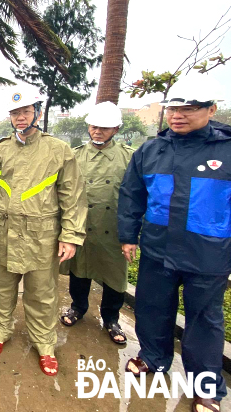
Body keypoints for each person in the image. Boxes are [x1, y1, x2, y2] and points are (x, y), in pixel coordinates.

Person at [119, 77, 231, 412]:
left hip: (207, 255)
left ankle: (206, 387)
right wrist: (127, 235)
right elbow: (132, 197)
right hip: (157, 249)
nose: (179, 115)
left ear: (211, 109)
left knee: (205, 321)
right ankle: (152, 357)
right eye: (174, 108)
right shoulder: (151, 150)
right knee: (151, 308)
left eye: (189, 108)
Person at [0, 86, 87, 376]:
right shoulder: (0, 150)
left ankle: (45, 344)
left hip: (43, 235)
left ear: (37, 113)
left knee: (42, 293)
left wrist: (71, 236)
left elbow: (72, 195)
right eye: (15, 113)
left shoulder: (58, 150)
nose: (20, 118)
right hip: (4, 233)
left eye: (25, 111)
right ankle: (0, 331)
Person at [60, 102, 134, 345]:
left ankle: (111, 317)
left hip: (112, 229)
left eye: (104, 127)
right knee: (79, 270)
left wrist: (131, 235)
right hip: (81, 226)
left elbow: (136, 196)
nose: (98, 131)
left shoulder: (129, 157)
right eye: (94, 126)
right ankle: (78, 307)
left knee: (114, 276)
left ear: (116, 129)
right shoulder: (75, 155)